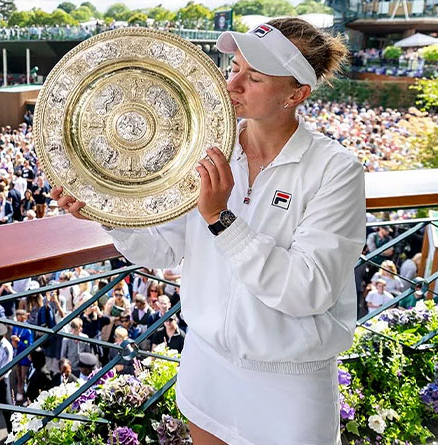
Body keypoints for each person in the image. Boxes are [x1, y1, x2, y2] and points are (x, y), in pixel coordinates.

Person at [54, 18, 365, 444]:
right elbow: (163, 251)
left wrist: (222, 219)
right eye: (234, 67)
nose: (233, 83)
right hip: (207, 366)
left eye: (253, 77)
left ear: (296, 95)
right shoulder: (204, 150)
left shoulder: (335, 170)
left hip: (290, 382)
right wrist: (108, 213)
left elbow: (308, 289)